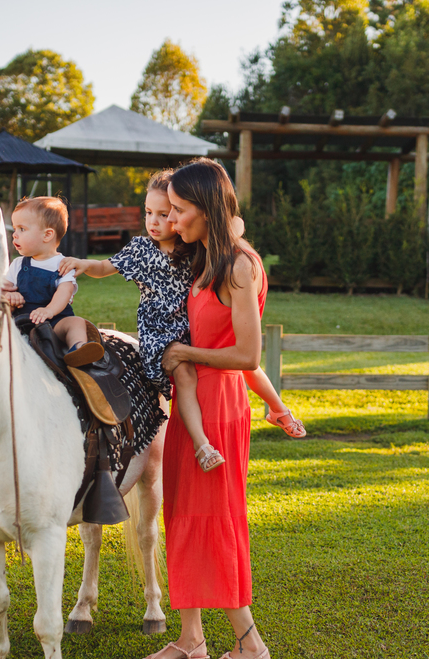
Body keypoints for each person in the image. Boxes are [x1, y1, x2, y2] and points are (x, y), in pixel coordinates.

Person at [64, 170, 305, 473]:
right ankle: (201, 443)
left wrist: (216, 209)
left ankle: (278, 408)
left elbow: (231, 226)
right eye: (149, 212)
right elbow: (104, 266)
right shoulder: (141, 250)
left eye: (166, 213)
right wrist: (82, 264)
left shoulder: (190, 246)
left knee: (246, 362)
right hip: (161, 336)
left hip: (188, 332)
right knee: (187, 375)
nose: (155, 221)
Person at [134, 158, 272, 659]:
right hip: (190, 400)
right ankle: (192, 639)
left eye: (180, 210)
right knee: (184, 518)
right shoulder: (206, 259)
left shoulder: (239, 265)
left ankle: (250, 645)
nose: (172, 220)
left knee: (215, 520)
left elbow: (248, 355)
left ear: (206, 209)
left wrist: (184, 351)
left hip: (219, 406)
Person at [0, 196, 100, 364]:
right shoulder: (18, 264)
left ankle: (79, 348)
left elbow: (65, 292)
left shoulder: (63, 264)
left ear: (47, 235)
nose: (14, 235)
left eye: (22, 229)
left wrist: (49, 311)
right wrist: (9, 296)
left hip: (55, 322)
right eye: (15, 228)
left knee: (76, 323)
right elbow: (6, 287)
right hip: (21, 321)